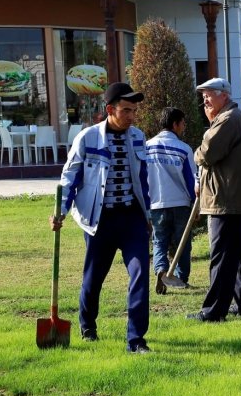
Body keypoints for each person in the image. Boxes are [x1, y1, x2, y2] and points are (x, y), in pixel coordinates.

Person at [49, 82, 152, 353]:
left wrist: (148, 215)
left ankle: (136, 340)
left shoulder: (138, 137)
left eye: (134, 110)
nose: (132, 116)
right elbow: (69, 178)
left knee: (140, 274)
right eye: (126, 110)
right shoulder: (87, 138)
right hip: (100, 220)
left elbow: (143, 180)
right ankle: (88, 325)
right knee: (94, 278)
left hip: (132, 218)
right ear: (110, 109)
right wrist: (59, 211)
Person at [187, 78, 241, 322]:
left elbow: (207, 153)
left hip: (226, 200)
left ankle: (213, 312)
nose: (205, 101)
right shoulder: (232, 117)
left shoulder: (228, 119)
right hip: (235, 199)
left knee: (221, 257)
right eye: (203, 97)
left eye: (209, 95)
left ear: (224, 95)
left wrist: (197, 151)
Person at [146, 107, 197, 293]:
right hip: (180, 204)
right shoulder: (183, 149)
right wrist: (195, 204)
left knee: (159, 241)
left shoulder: (146, 147)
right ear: (175, 124)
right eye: (182, 123)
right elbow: (192, 180)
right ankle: (181, 278)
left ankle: (160, 269)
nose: (184, 126)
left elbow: (142, 178)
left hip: (156, 203)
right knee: (182, 243)